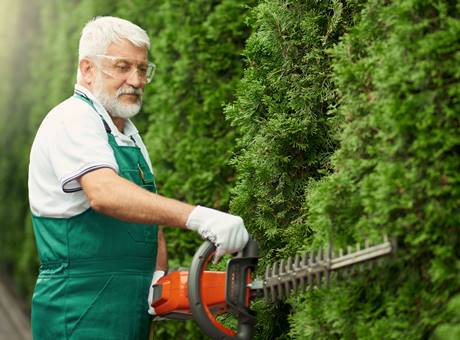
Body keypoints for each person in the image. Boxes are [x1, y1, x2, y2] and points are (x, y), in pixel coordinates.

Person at [28, 16, 249, 339]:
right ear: (87, 69)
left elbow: (148, 218)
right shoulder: (72, 118)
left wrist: (158, 281)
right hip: (78, 311)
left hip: (129, 314)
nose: (136, 80)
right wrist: (197, 217)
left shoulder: (126, 134)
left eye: (143, 69)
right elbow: (104, 193)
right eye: (122, 67)